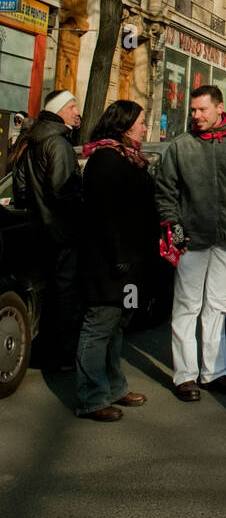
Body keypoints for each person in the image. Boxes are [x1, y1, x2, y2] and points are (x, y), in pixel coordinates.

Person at [155, 85, 226, 401]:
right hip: (192, 239)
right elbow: (165, 191)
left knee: (217, 306)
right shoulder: (180, 147)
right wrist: (173, 226)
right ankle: (185, 376)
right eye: (193, 110)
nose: (196, 115)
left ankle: (214, 372)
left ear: (218, 108)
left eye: (202, 109)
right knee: (187, 307)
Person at [75, 101, 156, 422]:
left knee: (117, 327)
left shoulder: (127, 158)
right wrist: (120, 257)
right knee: (99, 327)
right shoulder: (106, 160)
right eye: (140, 122)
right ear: (123, 124)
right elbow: (106, 215)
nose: (144, 127)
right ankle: (91, 398)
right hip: (110, 263)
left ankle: (114, 387)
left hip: (129, 262)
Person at [12, 88, 82, 370]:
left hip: (37, 230)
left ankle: (41, 352)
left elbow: (20, 189)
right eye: (73, 106)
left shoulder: (31, 141)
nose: (77, 112)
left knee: (47, 293)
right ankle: (62, 356)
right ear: (61, 110)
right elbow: (65, 192)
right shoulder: (59, 144)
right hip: (61, 233)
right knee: (65, 295)